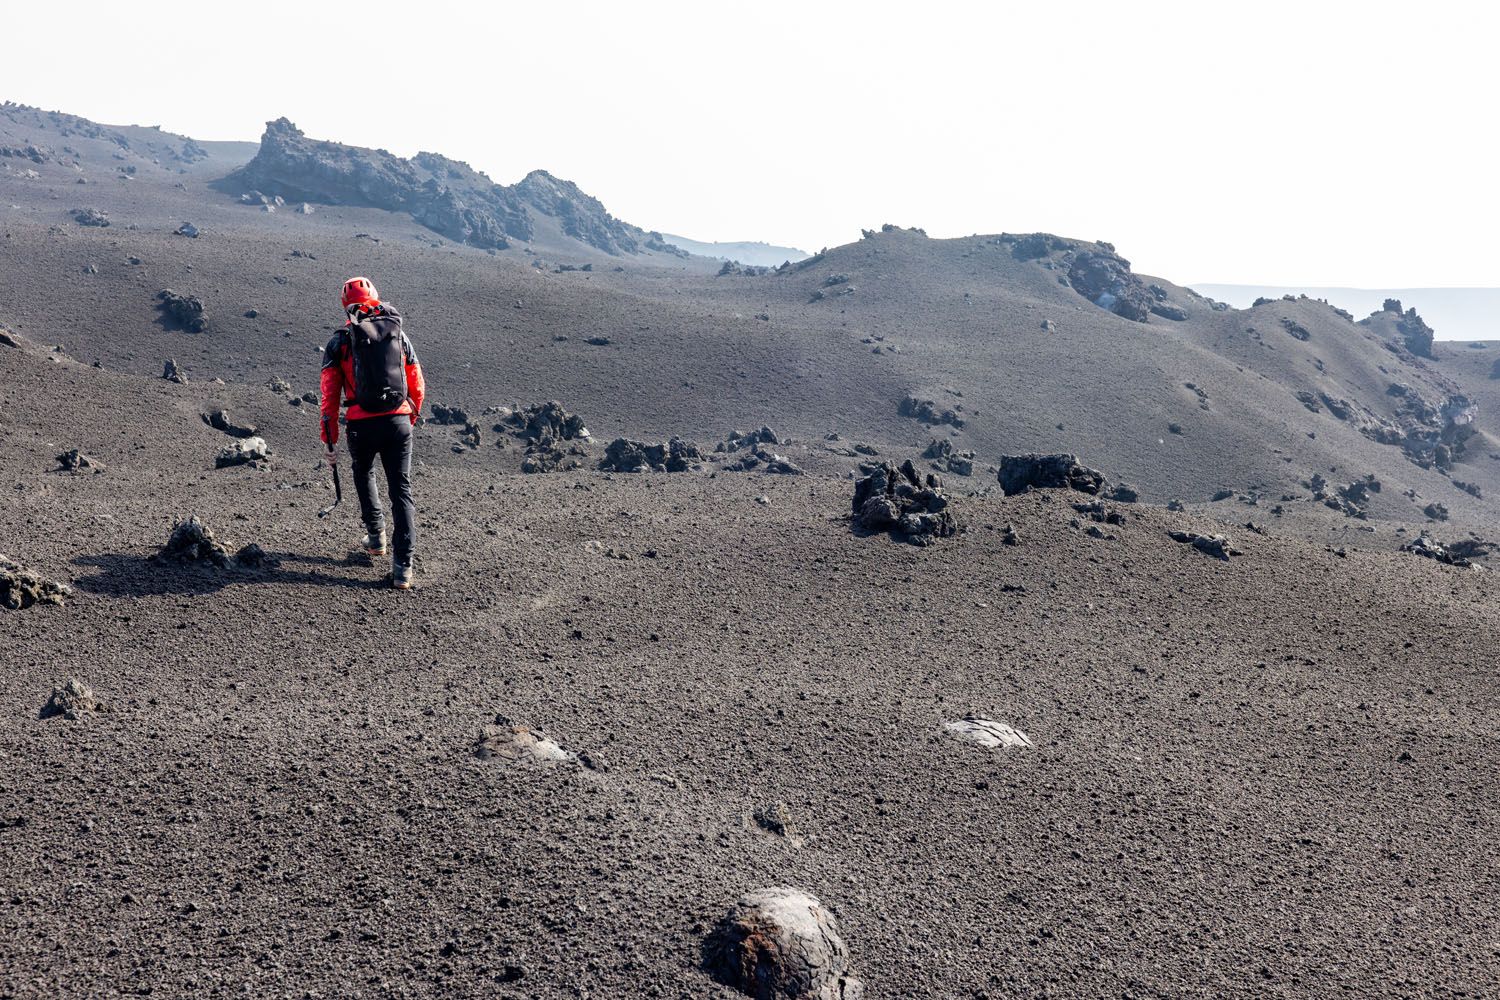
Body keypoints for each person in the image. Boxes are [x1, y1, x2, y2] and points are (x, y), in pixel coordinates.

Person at [319, 277, 425, 589]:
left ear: (345, 306)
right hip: (398, 422)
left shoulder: (339, 341)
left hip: (360, 425)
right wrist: (409, 417)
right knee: (401, 490)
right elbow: (416, 382)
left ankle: (376, 537)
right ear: (376, 299)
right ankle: (403, 567)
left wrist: (330, 440)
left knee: (363, 472)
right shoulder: (397, 334)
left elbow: (329, 397)